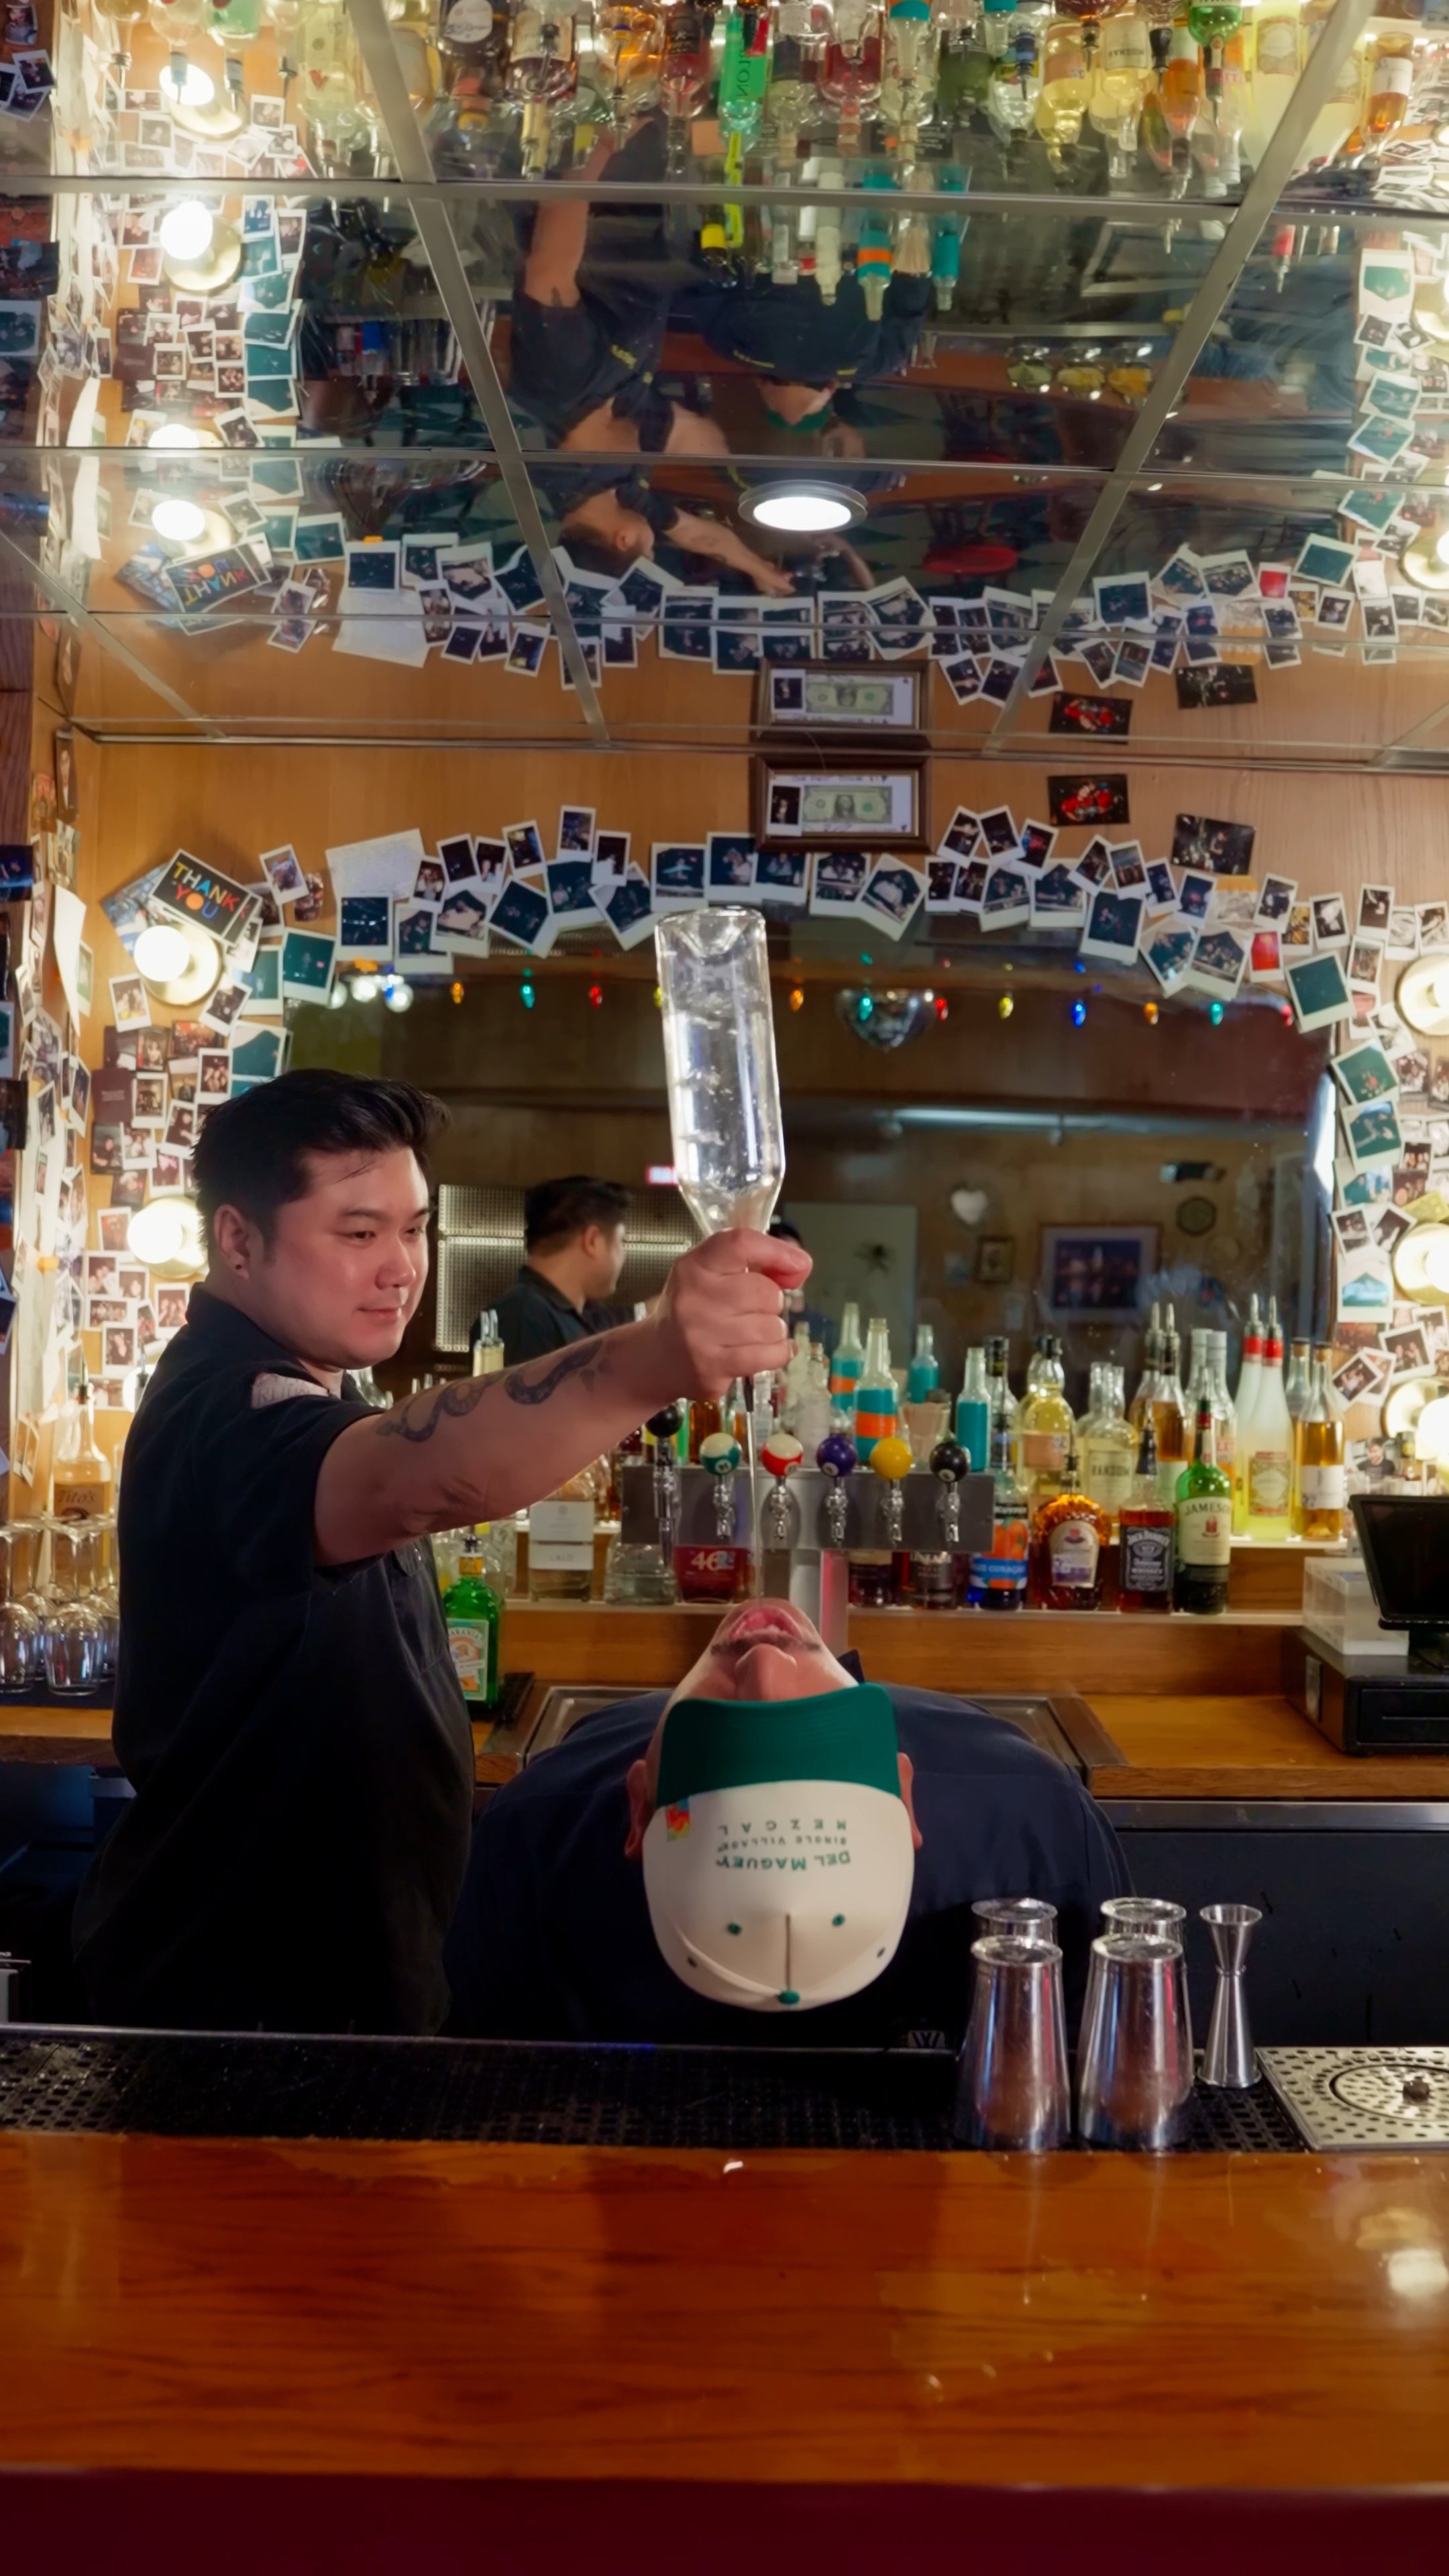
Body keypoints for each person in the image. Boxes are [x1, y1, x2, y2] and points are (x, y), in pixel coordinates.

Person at [72, 1072, 806, 2037]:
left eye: (415, 1230)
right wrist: (655, 1355)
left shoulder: (312, 1387)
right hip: (239, 1995)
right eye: (359, 1233)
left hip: (333, 1981)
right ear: (238, 1241)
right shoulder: (229, 1407)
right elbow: (413, 1477)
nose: (400, 1269)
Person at [445, 1598, 1129, 2046]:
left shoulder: (531, 1833)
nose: (764, 1663)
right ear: (903, 1795)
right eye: (813, 1736)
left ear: (641, 1807)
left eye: (727, 1725)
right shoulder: (1040, 1824)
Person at [493, 1175, 631, 1368]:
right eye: (621, 1241)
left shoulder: (558, 1316)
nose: (624, 1254)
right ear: (592, 1241)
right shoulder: (525, 1319)